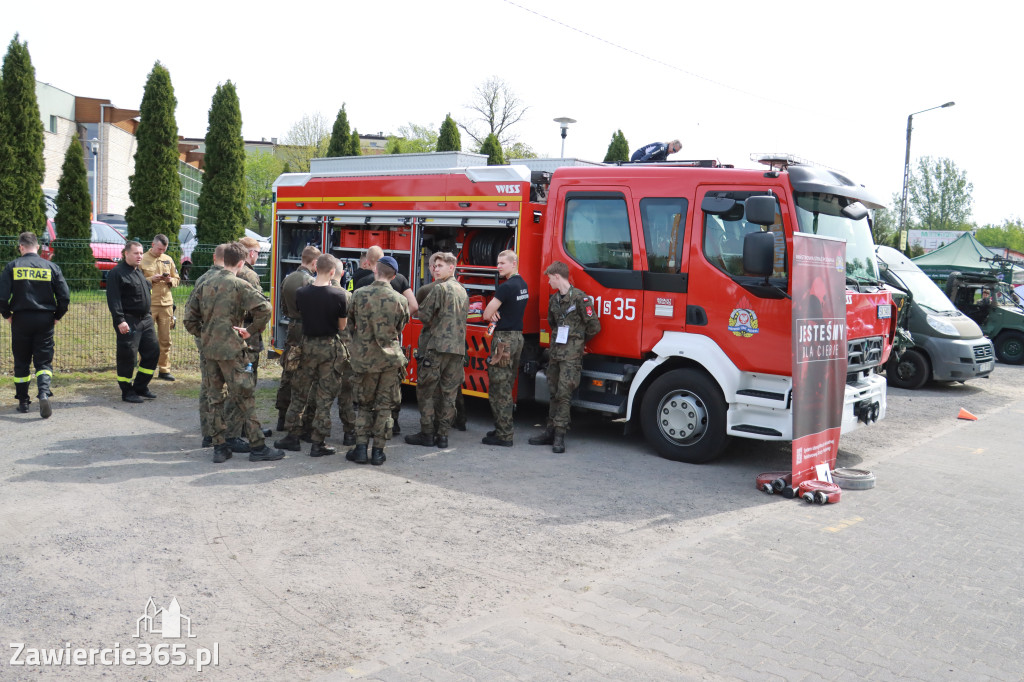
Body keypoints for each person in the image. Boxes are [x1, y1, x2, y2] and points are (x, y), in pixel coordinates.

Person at [184, 242, 283, 464]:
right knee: (245, 396)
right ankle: (257, 447)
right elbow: (265, 309)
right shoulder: (239, 285)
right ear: (241, 262)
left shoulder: (204, 284)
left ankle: (219, 447)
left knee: (214, 398)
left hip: (210, 350)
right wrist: (249, 331)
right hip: (233, 349)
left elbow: (189, 319)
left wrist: (205, 333)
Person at [274, 254, 348, 457]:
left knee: (299, 392)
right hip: (329, 347)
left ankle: (292, 436)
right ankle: (318, 442)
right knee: (324, 397)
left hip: (306, 345)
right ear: (333, 272)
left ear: (315, 268)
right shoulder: (339, 295)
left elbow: (300, 314)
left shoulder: (301, 293)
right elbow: (342, 326)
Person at [528, 261, 601, 453]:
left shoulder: (580, 299)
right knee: (553, 392)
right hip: (555, 353)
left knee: (564, 394)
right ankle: (549, 431)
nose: (549, 282)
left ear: (557, 276)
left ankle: (559, 436)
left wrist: (578, 342)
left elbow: (594, 326)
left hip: (571, 355)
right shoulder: (554, 300)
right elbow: (553, 323)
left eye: (550, 278)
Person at [346, 255, 410, 465]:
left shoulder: (358, 294)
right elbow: (400, 328)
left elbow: (350, 323)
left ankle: (361, 448)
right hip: (390, 361)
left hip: (364, 360)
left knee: (364, 405)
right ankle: (378, 452)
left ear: (375, 270)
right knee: (384, 407)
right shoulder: (400, 300)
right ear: (394, 276)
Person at [0, 231, 71, 417]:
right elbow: (64, 296)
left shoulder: (12, 266)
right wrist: (57, 315)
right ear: (37, 247)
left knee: (21, 361)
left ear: (21, 247)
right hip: (45, 319)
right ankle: (44, 393)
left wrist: (7, 314)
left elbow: (2, 297)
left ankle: (23, 402)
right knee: (44, 361)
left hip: (21, 319)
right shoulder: (51, 267)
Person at [352, 243, 418, 435]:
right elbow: (413, 306)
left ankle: (362, 444)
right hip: (390, 351)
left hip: (364, 351)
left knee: (365, 399)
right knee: (388, 395)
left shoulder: (360, 283)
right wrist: (395, 327)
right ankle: (391, 427)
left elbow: (350, 316)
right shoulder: (401, 283)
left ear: (372, 266)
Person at [405, 252, 468, 449]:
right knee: (449, 394)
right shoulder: (462, 290)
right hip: (457, 349)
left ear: (452, 268)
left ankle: (427, 434)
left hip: (436, 347)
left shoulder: (440, 289)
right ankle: (443, 436)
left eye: (441, 265)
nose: (436, 269)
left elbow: (423, 315)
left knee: (426, 391)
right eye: (436, 265)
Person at [482, 249, 529, 447]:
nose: (498, 266)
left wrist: (492, 313)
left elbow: (486, 314)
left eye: (502, 263)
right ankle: (502, 427)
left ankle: (504, 435)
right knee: (507, 385)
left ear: (513, 263)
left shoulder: (506, 287)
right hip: (517, 338)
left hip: (503, 340)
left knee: (499, 388)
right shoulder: (522, 284)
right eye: (498, 262)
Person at [106, 241, 161, 403]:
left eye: (141, 253)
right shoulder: (117, 273)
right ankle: (127, 391)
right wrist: (120, 320)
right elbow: (113, 299)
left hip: (145, 320)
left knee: (153, 352)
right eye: (136, 253)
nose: (139, 256)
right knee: (128, 356)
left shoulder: (138, 272)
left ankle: (140, 386)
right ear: (126, 254)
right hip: (128, 321)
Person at [274, 245, 320, 434]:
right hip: (305, 328)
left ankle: (282, 416)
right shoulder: (310, 281)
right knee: (306, 374)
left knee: (288, 371)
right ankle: (302, 421)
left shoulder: (287, 279)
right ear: (314, 262)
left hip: (291, 327)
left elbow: (283, 307)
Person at [186, 243, 226, 447]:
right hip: (226, 342)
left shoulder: (202, 279)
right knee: (224, 386)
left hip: (205, 339)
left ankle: (208, 432)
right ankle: (225, 431)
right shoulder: (232, 280)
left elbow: (190, 315)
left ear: (213, 257)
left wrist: (201, 335)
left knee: (207, 384)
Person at [140, 234, 180, 381]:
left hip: (166, 305)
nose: (161, 252)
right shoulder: (142, 259)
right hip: (149, 304)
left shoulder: (168, 260)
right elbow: (136, 281)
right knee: (146, 340)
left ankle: (164, 370)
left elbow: (177, 279)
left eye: (164, 249)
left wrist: (171, 280)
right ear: (152, 244)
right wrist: (151, 279)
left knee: (165, 339)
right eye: (159, 249)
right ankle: (145, 369)